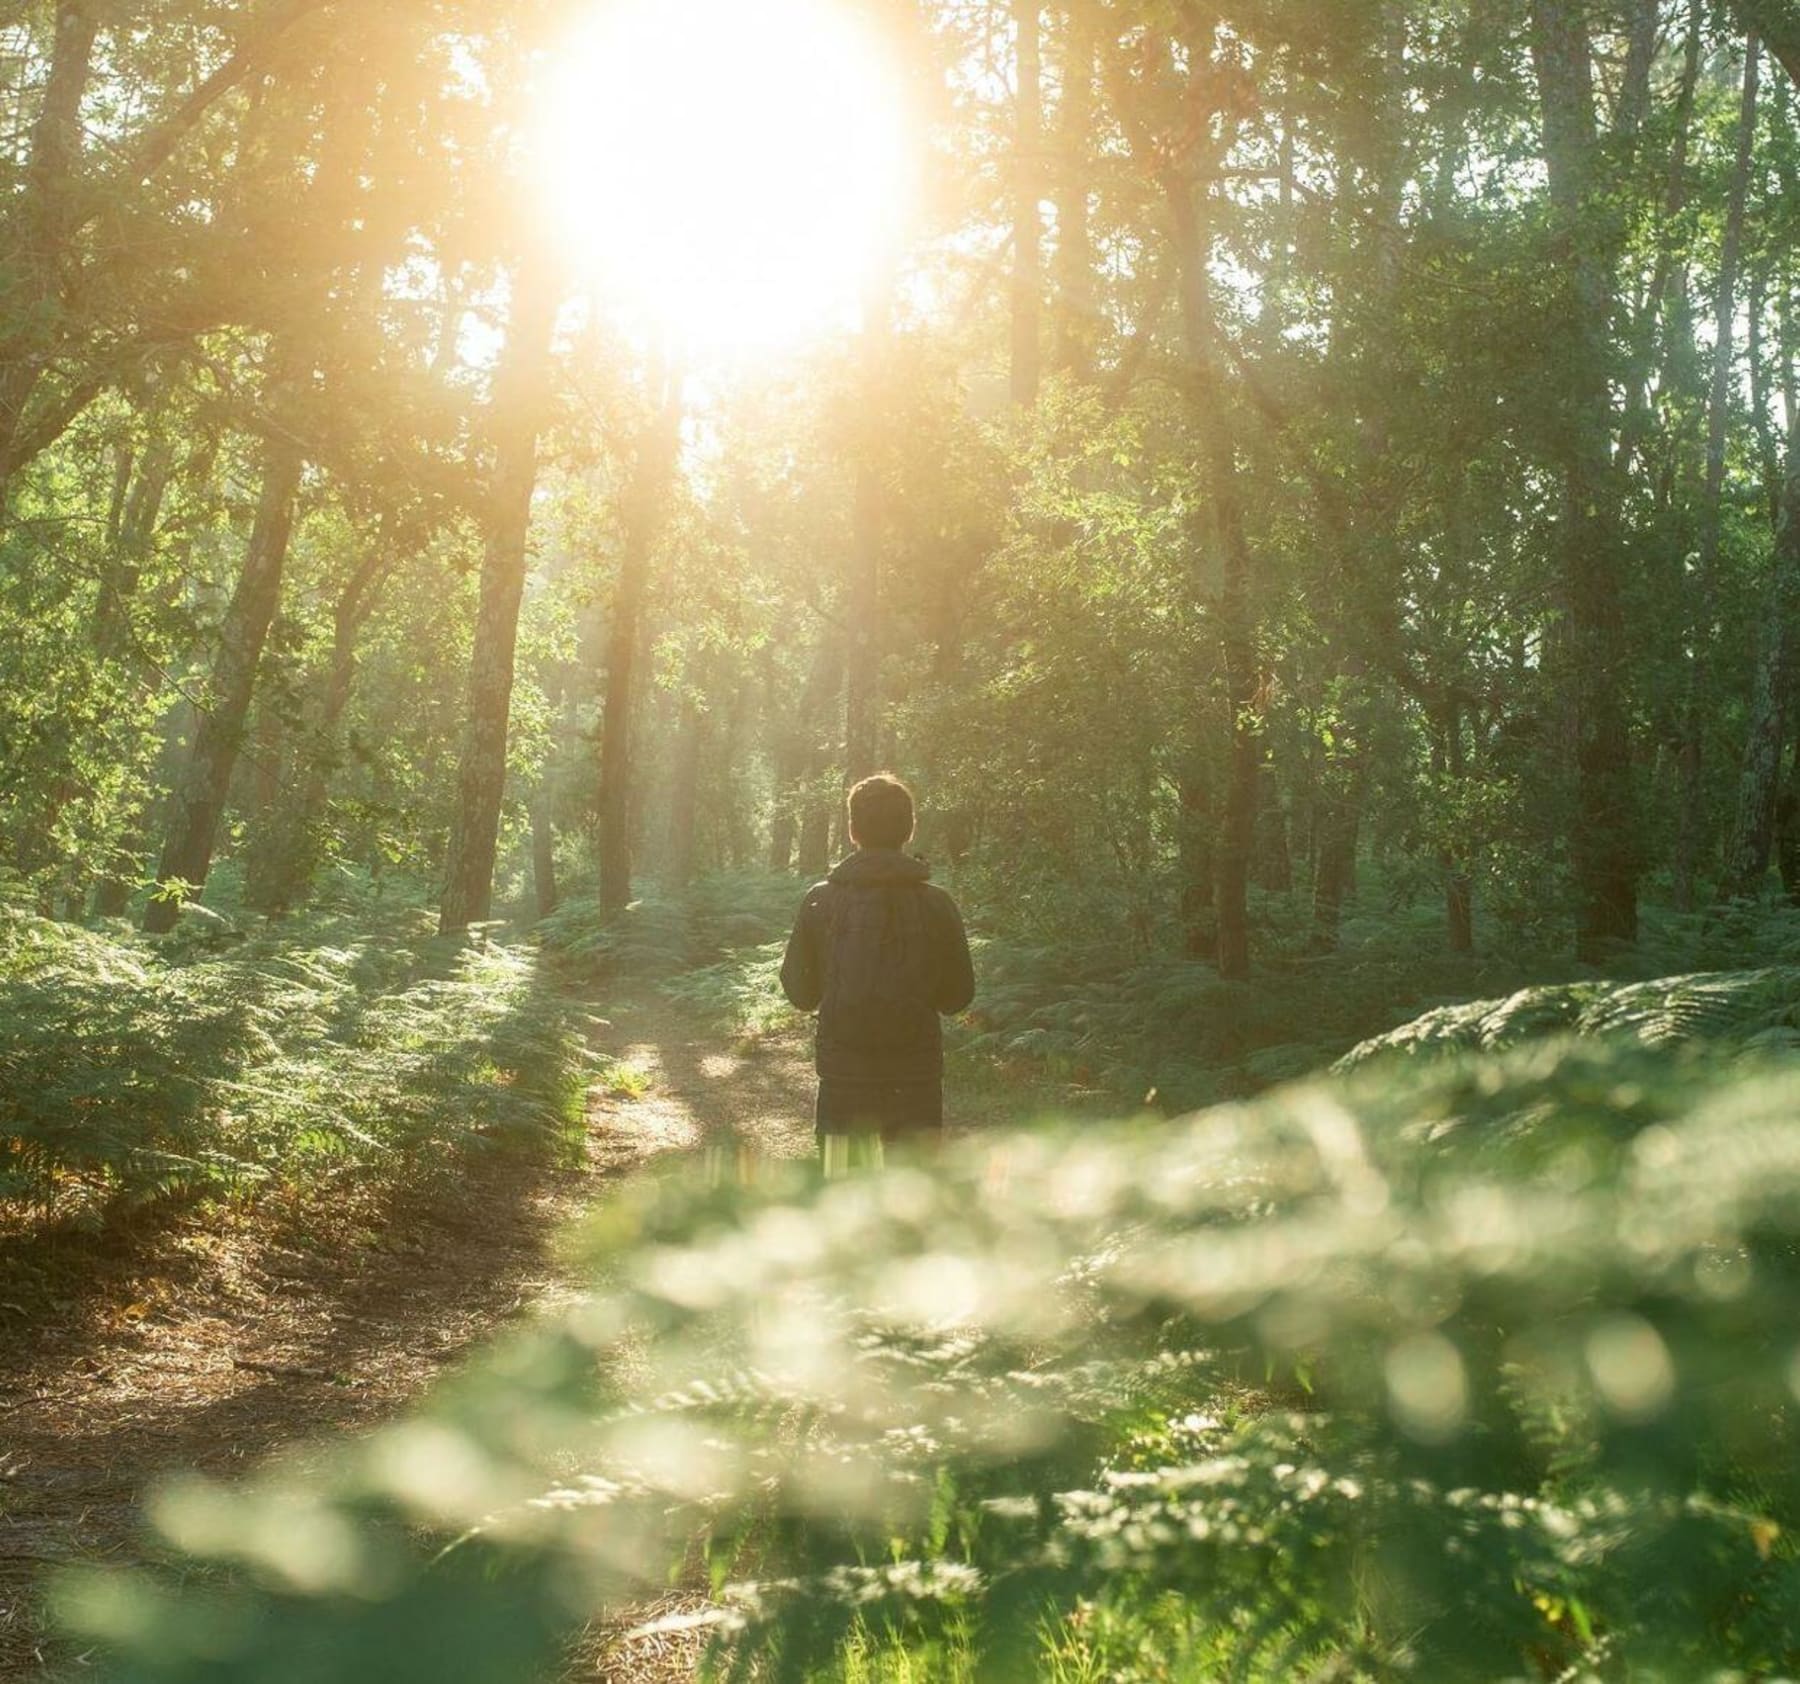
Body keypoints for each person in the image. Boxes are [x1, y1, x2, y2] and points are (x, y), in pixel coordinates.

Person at [780, 773, 975, 1164]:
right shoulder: (937, 904)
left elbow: (800, 993)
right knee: (914, 1198)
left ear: (853, 830)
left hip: (843, 1075)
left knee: (842, 1193)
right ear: (909, 828)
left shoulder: (820, 901)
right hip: (916, 1075)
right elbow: (958, 997)